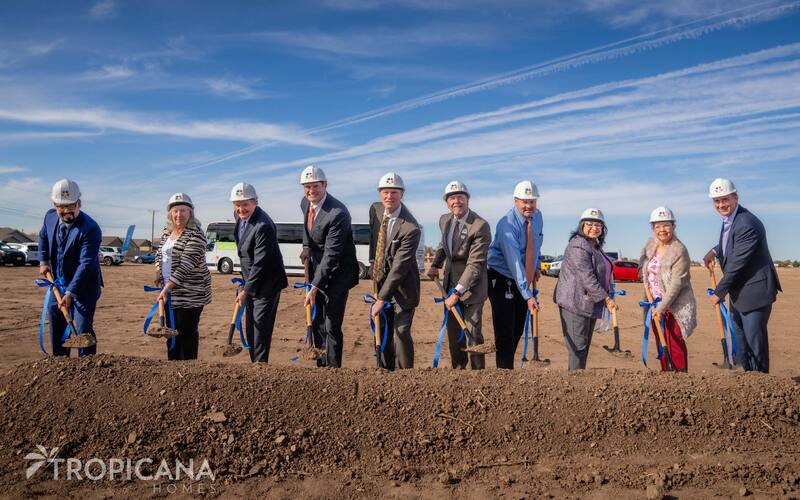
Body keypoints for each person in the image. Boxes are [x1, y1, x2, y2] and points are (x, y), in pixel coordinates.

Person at [702, 178, 781, 373]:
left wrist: (719, 292)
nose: (721, 205)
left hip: (755, 293)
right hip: (739, 293)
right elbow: (730, 242)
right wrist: (714, 250)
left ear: (735, 197)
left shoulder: (746, 223)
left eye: (725, 199)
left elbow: (737, 263)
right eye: (717, 201)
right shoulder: (731, 218)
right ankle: (744, 382)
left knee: (755, 345)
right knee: (739, 341)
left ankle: (761, 385)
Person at [426, 180, 492, 369]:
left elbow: (475, 264)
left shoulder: (480, 226)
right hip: (449, 286)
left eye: (461, 197)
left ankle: (478, 374)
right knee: (454, 334)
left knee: (473, 333)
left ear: (468, 200)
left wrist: (457, 292)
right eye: (452, 198)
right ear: (447, 202)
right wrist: (436, 264)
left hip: (472, 289)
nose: (457, 201)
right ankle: (459, 372)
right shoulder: (444, 220)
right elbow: (443, 245)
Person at [299, 165, 359, 368]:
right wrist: (306, 246)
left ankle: (333, 371)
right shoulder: (305, 203)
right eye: (307, 186)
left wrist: (314, 288)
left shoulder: (338, 213)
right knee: (317, 322)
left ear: (325, 185)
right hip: (318, 269)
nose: (311, 191)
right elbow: (306, 229)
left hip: (339, 273)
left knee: (331, 323)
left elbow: (332, 255)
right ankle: (321, 364)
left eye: (315, 186)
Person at [37, 179, 103, 357]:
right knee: (55, 316)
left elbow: (86, 264)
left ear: (79, 203)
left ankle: (87, 365)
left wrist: (70, 293)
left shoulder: (90, 228)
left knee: (81, 327)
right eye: (61, 206)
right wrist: (43, 261)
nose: (66, 210)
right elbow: (43, 237)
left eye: (71, 205)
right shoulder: (50, 217)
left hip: (85, 285)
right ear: (54, 205)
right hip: (58, 282)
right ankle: (61, 364)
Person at [486, 180, 543, 369]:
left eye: (532, 201)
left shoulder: (538, 217)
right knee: (505, 332)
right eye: (524, 201)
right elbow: (514, 261)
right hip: (502, 277)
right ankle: (504, 374)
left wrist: (536, 265)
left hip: (523, 277)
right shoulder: (507, 225)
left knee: (518, 329)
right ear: (515, 201)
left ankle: (508, 370)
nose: (529, 206)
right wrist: (527, 295)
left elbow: (536, 242)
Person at [231, 182, 288, 363]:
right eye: (238, 205)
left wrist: (246, 290)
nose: (241, 209)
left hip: (267, 285)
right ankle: (254, 364)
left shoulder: (263, 225)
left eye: (245, 204)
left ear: (255, 202)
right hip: (251, 282)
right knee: (250, 328)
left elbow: (260, 263)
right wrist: (245, 286)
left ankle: (260, 368)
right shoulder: (239, 217)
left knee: (260, 329)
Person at [553, 208, 617, 371]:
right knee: (578, 350)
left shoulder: (595, 245)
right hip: (575, 304)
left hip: (589, 303)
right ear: (582, 225)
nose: (593, 227)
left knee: (583, 349)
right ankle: (574, 388)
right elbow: (586, 277)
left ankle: (579, 386)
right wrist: (606, 298)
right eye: (589, 224)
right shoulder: (578, 246)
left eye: (598, 224)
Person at [369, 172, 421, 370]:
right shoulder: (375, 209)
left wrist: (382, 299)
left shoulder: (411, 228)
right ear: (380, 193)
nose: (389, 196)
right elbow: (376, 239)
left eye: (394, 192)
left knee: (400, 332)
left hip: (404, 289)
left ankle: (405, 376)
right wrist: (374, 261)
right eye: (385, 192)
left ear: (402, 194)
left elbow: (400, 267)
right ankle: (384, 371)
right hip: (381, 284)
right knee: (382, 330)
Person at [154, 193, 212, 360]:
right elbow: (159, 254)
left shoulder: (196, 234)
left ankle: (188, 372)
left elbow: (186, 266)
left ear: (190, 213)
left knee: (186, 333)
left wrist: (166, 287)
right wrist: (158, 272)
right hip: (169, 293)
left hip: (190, 294)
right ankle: (173, 369)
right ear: (170, 213)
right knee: (171, 332)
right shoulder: (167, 231)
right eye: (175, 211)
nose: (179, 215)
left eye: (183, 211)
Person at [638, 206, 696, 372]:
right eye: (658, 226)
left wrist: (661, 307)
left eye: (666, 225)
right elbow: (644, 262)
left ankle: (679, 380)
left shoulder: (679, 250)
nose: (662, 230)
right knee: (661, 341)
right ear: (652, 228)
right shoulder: (651, 245)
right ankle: (666, 377)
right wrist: (642, 271)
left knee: (674, 341)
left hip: (674, 305)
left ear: (673, 226)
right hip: (653, 303)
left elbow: (676, 284)